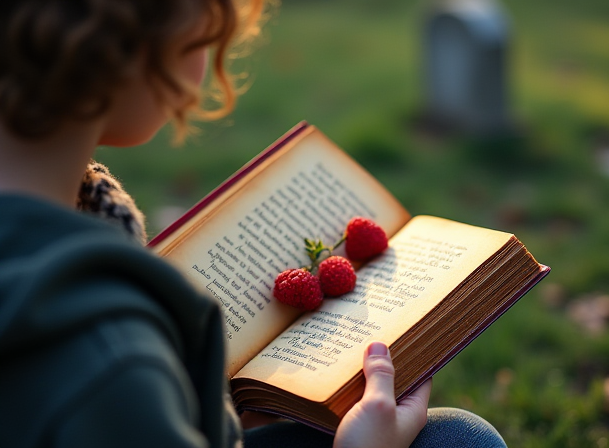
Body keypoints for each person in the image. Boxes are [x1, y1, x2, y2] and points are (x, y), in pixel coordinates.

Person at [0, 1, 507, 447]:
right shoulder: (111, 359)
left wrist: (208, 398)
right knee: (461, 442)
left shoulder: (76, 232)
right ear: (128, 48)